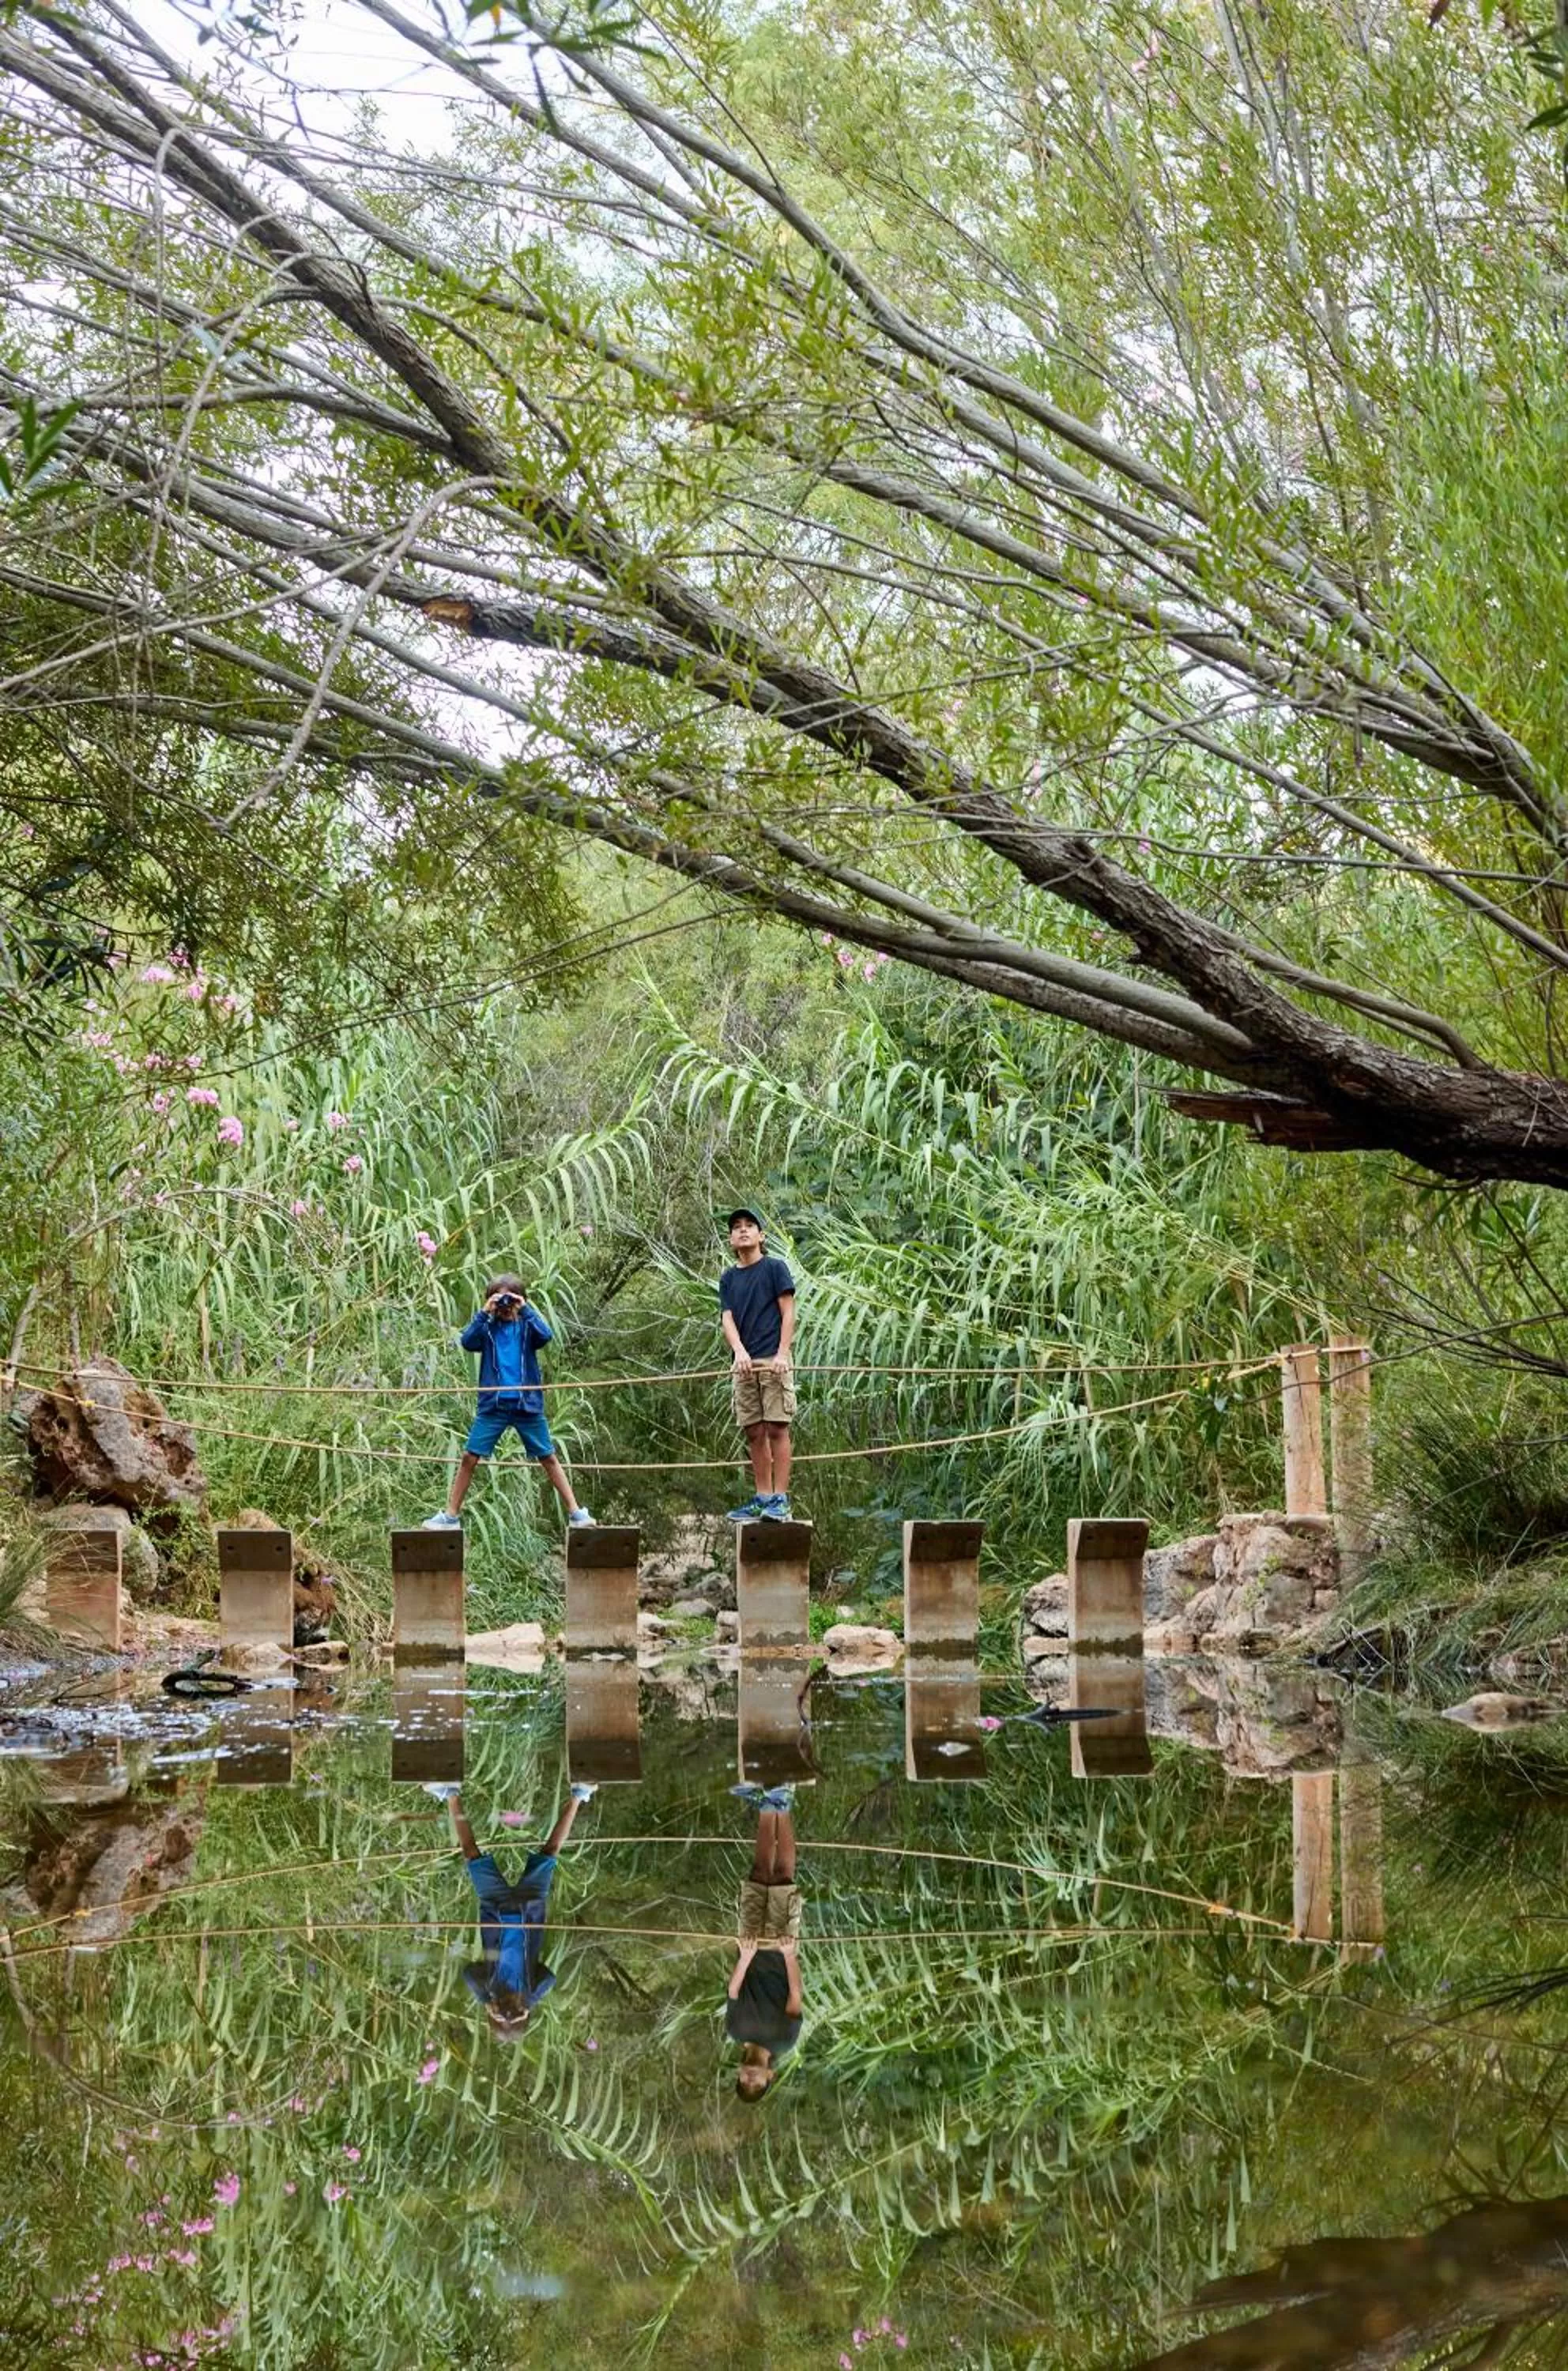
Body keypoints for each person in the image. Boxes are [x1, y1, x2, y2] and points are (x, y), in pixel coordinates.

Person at [428, 1781, 597, 2039]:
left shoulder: (489, 1988)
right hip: (529, 1909)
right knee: (550, 1852)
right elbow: (550, 1978)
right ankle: (579, 1796)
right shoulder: (530, 1992)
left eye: (501, 2017)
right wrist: (528, 2005)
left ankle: (451, 1794)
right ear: (522, 2015)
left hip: (495, 1908)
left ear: (493, 2015)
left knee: (472, 1854)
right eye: (513, 2016)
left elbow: (469, 1974)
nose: (508, 2011)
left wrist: (486, 2001)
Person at [424, 1272, 594, 1530]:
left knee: (547, 1457)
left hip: (527, 1405)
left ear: (520, 1301)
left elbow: (546, 1336)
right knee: (469, 1457)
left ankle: (575, 1512)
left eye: (509, 1300)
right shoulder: (487, 1329)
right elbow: (467, 1341)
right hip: (494, 1406)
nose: (504, 1307)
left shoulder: (527, 1327)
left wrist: (524, 1309)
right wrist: (484, 1312)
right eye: (499, 1301)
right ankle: (450, 1516)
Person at [726, 1783, 804, 2100]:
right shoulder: (784, 2041)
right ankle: (782, 1806)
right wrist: (789, 1953)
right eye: (757, 2084)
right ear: (770, 2076)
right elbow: (795, 1994)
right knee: (783, 1876)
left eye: (744, 2082)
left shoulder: (736, 2031)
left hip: (750, 1947)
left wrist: (744, 1957)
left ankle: (765, 1806)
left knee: (759, 1874)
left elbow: (733, 1991)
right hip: (779, 1949)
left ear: (739, 2074)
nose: (750, 2078)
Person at [718, 1209, 796, 1521]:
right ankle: (763, 1498)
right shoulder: (729, 1278)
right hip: (744, 1362)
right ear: (731, 1239)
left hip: (773, 1357)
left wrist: (782, 1354)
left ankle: (780, 1499)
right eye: (737, 1228)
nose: (743, 1231)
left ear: (761, 1236)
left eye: (750, 1226)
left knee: (777, 1426)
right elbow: (727, 1318)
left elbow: (788, 1313)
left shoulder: (775, 1268)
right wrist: (738, 1351)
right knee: (753, 1430)